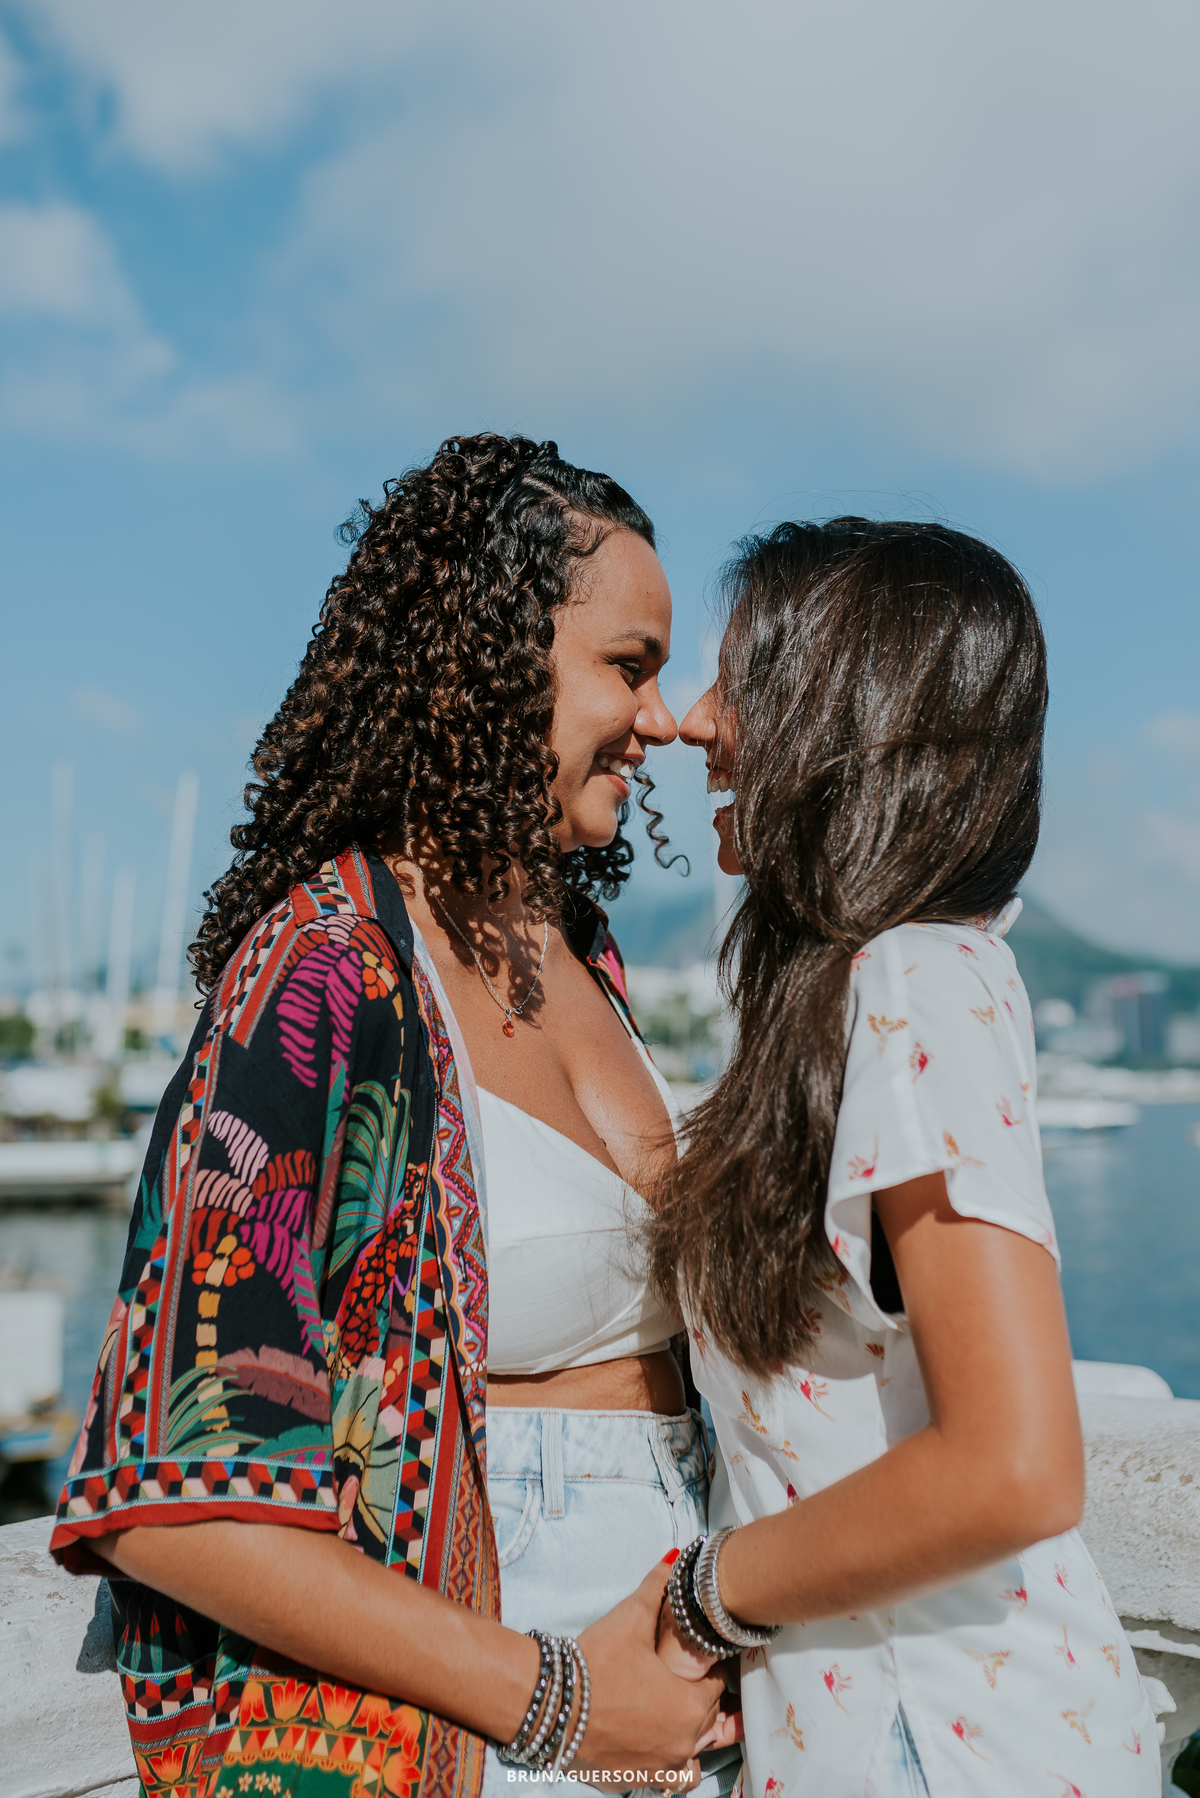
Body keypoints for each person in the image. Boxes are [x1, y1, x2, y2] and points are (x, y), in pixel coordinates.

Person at [50, 434, 737, 1798]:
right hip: (496, 1694)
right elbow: (168, 1494)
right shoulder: (325, 973)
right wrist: (558, 1701)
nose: (662, 719)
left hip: (678, 1673)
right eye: (629, 664)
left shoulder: (574, 950)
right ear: (483, 660)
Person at [650, 520, 1158, 1796]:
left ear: (848, 719)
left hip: (950, 1746)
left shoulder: (915, 980)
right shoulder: (865, 994)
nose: (697, 722)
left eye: (743, 682)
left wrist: (703, 1603)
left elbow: (1015, 1464)